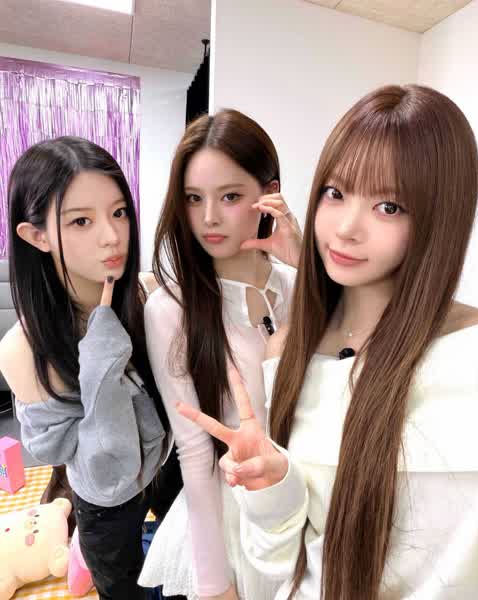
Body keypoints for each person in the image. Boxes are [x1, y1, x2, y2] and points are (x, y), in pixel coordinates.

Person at [177, 85, 478, 600]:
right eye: (335, 194)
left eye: (389, 206)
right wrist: (270, 488)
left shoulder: (466, 353)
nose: (345, 229)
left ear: (440, 215)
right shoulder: (288, 349)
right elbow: (278, 558)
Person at [139, 109, 302, 600]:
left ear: (269, 194)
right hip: (230, 520)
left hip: (302, 501)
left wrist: (306, 263)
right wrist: (215, 584)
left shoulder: (299, 287)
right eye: (194, 198)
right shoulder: (171, 310)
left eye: (229, 196)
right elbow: (195, 451)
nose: (208, 217)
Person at [0, 136, 172, 600]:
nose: (112, 236)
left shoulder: (147, 293)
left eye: (119, 212)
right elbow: (100, 462)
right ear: (36, 236)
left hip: (166, 461)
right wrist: (101, 358)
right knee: (122, 586)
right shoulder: (23, 350)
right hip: (104, 498)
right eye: (81, 220)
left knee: (182, 567)